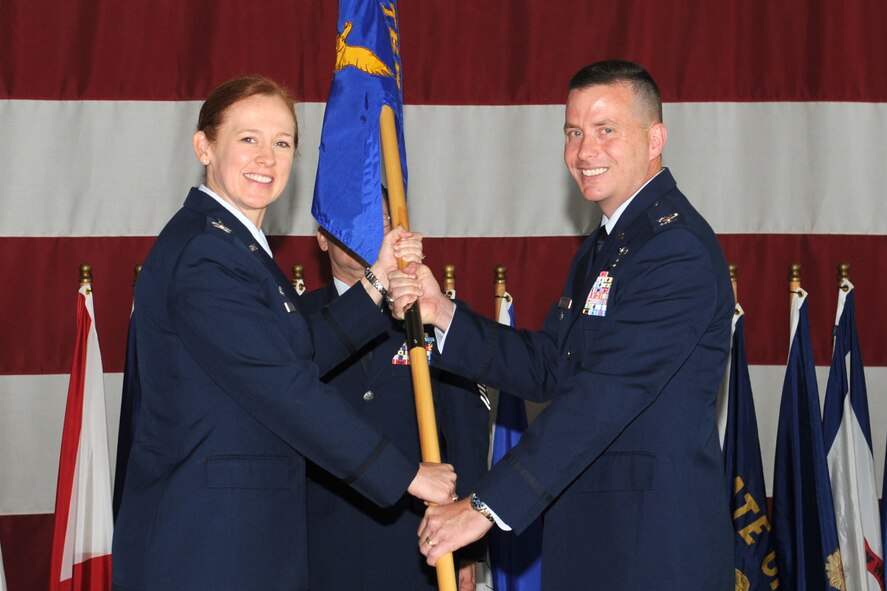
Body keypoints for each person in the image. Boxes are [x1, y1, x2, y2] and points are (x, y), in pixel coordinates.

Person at [390, 60, 735, 589]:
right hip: (595, 535)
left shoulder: (674, 250)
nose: (585, 151)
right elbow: (553, 365)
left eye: (606, 130)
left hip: (650, 548)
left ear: (656, 137)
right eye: (574, 132)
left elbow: (603, 395)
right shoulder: (609, 244)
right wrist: (443, 314)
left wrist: (483, 506)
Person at [110, 75, 456, 591]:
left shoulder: (234, 245)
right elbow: (284, 389)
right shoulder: (207, 253)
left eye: (282, 142)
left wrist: (378, 279)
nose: (266, 158)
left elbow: (295, 352)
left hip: (236, 537)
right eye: (248, 138)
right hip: (208, 546)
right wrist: (406, 474)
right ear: (204, 145)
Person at [303, 196, 490, 591]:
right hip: (316, 544)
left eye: (379, 219)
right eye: (350, 218)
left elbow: (464, 431)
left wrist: (469, 548)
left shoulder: (430, 313)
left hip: (417, 545)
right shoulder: (296, 324)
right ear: (322, 238)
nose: (364, 231)